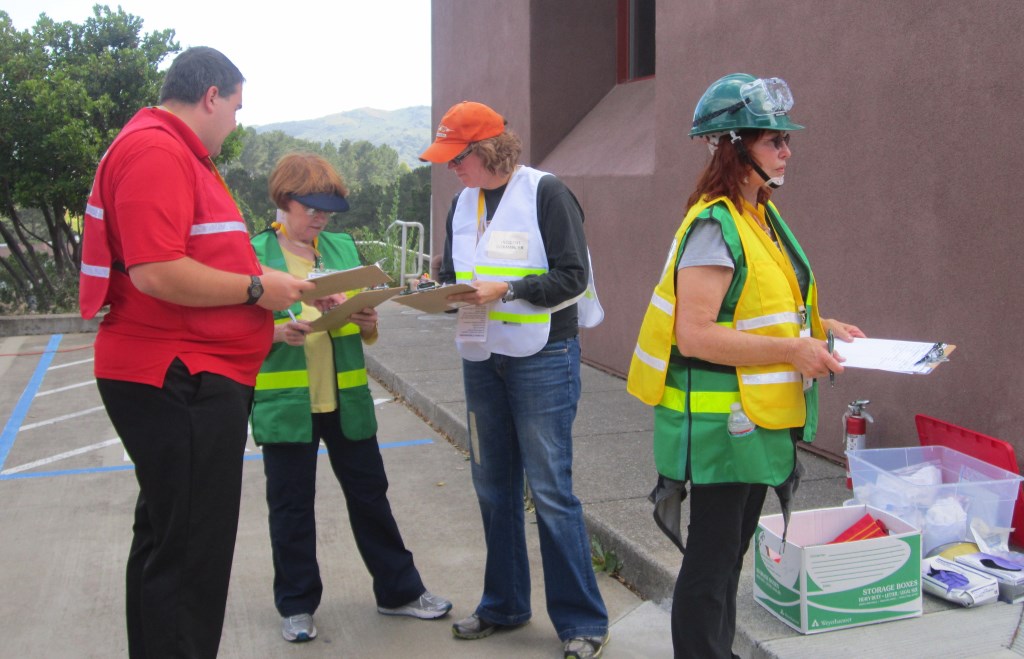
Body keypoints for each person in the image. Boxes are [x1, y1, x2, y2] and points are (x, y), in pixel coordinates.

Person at [78, 47, 314, 658]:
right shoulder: (157, 151)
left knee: (170, 541)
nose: (235, 122)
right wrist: (258, 289)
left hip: (183, 371)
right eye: (236, 107)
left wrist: (268, 285)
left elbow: (201, 257)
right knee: (190, 558)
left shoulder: (171, 151)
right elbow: (156, 271)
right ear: (211, 96)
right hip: (179, 375)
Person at [626, 74, 865, 658]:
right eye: (773, 140)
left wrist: (822, 327)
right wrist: (791, 351)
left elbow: (761, 308)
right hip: (720, 428)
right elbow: (695, 333)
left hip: (753, 421)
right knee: (711, 565)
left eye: (786, 139)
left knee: (729, 557)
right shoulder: (715, 225)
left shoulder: (760, 216)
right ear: (734, 147)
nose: (787, 151)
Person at [420, 101, 609, 659]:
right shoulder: (462, 202)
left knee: (550, 491)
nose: (451, 168)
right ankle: (504, 604)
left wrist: (508, 290)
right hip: (482, 355)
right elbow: (454, 272)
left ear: (487, 150)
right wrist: (434, 287)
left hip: (543, 355)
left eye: (458, 158)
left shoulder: (546, 193)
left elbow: (573, 277)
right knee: (493, 486)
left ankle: (582, 622)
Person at [249, 152, 452, 644]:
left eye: (328, 210)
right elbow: (233, 331)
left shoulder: (341, 248)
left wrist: (367, 321)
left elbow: (365, 328)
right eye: (312, 209)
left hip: (346, 398)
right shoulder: (252, 253)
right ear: (284, 200)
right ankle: (296, 605)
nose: (321, 219)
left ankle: (399, 591)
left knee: (370, 496)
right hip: (288, 403)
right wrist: (276, 334)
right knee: (291, 507)